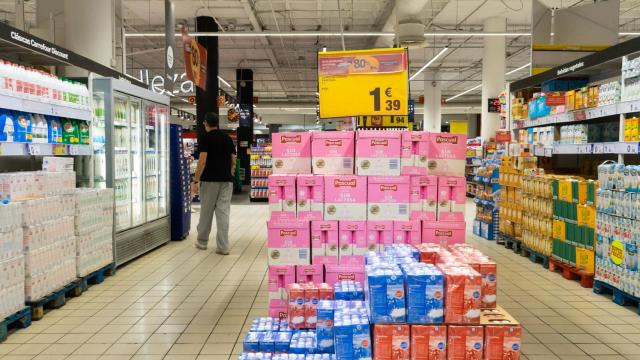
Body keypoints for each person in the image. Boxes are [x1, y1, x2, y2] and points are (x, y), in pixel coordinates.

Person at [194, 112, 237, 254]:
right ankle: (223, 247)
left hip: (209, 180)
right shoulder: (227, 138)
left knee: (206, 211)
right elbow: (233, 159)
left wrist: (196, 179)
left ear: (206, 123)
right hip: (226, 181)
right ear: (217, 123)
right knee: (223, 213)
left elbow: (202, 160)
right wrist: (230, 172)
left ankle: (202, 242)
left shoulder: (205, 138)